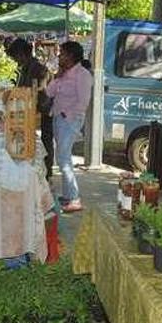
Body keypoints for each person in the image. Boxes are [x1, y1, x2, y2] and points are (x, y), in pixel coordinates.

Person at [44, 40, 92, 214]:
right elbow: (49, 92)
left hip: (69, 121)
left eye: (62, 53)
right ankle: (68, 195)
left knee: (64, 159)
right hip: (58, 119)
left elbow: (83, 102)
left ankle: (74, 199)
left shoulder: (83, 75)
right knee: (62, 158)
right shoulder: (64, 74)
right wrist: (57, 76)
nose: (59, 56)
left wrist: (67, 115)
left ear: (71, 56)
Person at [7, 38, 54, 179]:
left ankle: (46, 173)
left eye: (15, 57)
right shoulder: (26, 68)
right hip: (30, 111)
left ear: (22, 54)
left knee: (45, 142)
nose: (15, 61)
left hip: (42, 111)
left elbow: (38, 92)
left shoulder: (38, 69)